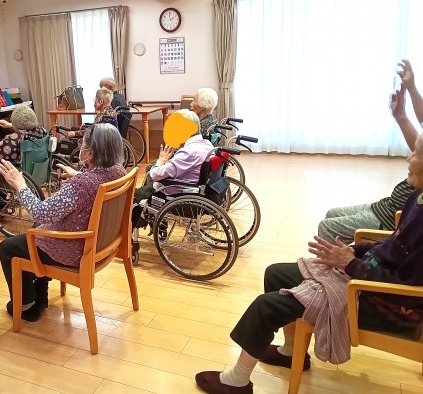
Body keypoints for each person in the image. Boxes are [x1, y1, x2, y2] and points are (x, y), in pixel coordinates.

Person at [195, 132, 423, 394]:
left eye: (417, 153)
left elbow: (407, 290)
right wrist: (353, 250)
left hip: (388, 308)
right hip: (366, 284)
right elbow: (393, 244)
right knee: (274, 274)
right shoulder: (417, 197)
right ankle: (292, 352)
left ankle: (236, 382)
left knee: (266, 305)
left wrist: (351, 264)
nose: (409, 157)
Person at [0, 123, 126, 322]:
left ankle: (26, 306)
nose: (80, 147)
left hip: (72, 250)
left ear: (90, 153)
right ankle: (40, 294)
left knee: (8, 247)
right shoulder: (118, 172)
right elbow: (95, 182)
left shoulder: (81, 185)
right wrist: (78, 174)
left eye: (83, 145)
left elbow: (40, 213)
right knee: (37, 231)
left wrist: (20, 186)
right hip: (101, 245)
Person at [318, 60, 423, 243]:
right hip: (387, 205)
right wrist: (401, 115)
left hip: (390, 216)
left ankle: (333, 262)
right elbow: (419, 146)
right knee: (331, 213)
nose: (409, 157)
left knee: (327, 227)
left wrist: (411, 90)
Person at [132, 109, 214, 228]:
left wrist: (161, 160)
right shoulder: (206, 144)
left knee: (137, 193)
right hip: (195, 189)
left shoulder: (188, 152)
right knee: (147, 185)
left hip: (177, 194)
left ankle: (136, 223)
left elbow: (155, 174)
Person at [0, 104, 47, 190]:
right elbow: (27, 129)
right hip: (38, 173)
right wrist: (10, 125)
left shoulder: (14, 140)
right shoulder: (41, 131)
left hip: (17, 177)